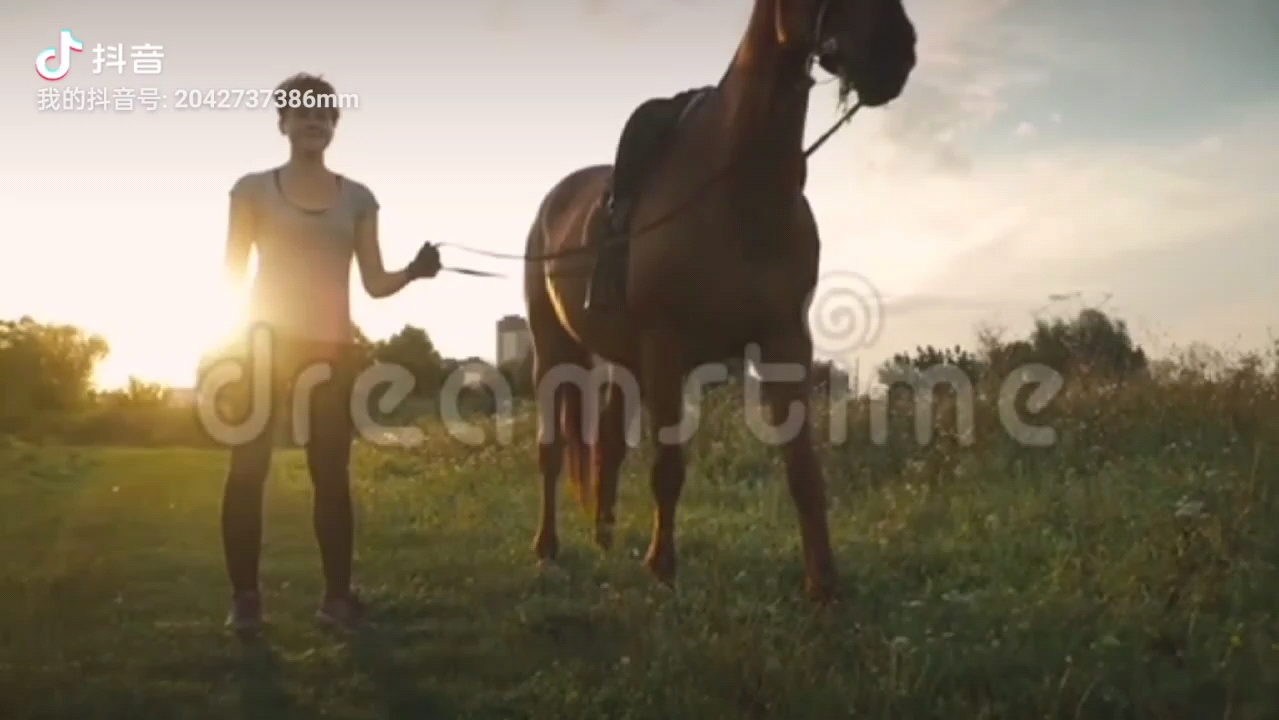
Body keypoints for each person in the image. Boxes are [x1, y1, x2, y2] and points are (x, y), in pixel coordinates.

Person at [216, 72, 440, 634]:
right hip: (263, 343)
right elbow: (230, 274)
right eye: (302, 113)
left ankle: (336, 601)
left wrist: (414, 272)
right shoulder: (251, 190)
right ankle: (246, 603)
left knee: (331, 474)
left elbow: (374, 282)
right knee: (247, 469)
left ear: (334, 126)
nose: (313, 121)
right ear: (283, 124)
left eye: (323, 114)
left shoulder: (359, 198)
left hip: (332, 349)